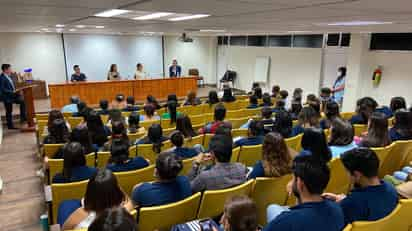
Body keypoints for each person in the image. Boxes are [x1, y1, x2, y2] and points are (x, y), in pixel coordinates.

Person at [264, 155, 344, 231]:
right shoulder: (337, 209)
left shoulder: (285, 222)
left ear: (300, 182)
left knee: (272, 208)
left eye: (293, 178)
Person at [323, 148, 398, 225]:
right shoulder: (391, 189)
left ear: (357, 175)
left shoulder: (352, 203)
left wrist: (344, 203)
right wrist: (345, 200)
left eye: (347, 172)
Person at [59, 169, 133, 230]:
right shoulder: (124, 212)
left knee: (64, 204)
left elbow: (64, 229)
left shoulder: (81, 214)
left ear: (90, 192)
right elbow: (128, 201)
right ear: (116, 193)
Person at [0, 64, 27, 129]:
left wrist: (16, 91)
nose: (11, 70)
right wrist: (12, 92)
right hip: (7, 97)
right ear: (6, 70)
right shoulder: (2, 78)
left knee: (23, 101)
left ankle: (23, 118)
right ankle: (10, 125)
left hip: (12, 95)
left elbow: (11, 86)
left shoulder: (8, 76)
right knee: (9, 111)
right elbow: (2, 89)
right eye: (10, 69)